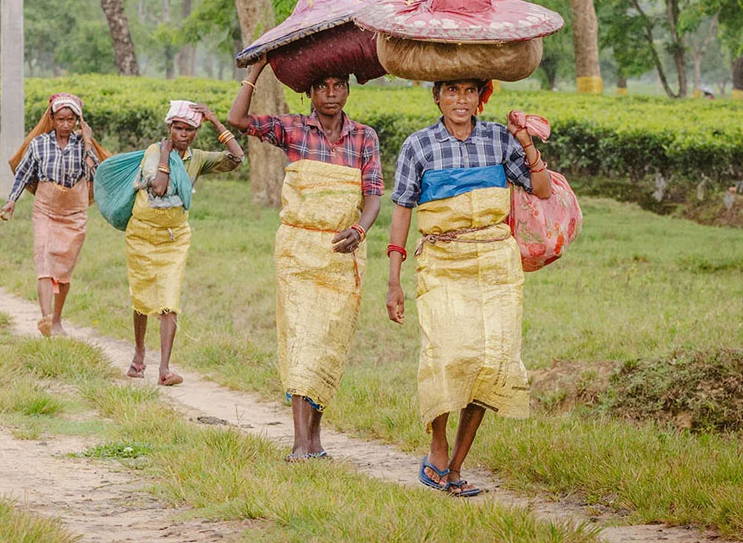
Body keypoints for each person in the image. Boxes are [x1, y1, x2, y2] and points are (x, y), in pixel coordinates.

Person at [384, 78, 551, 498]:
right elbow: (403, 209)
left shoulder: (498, 139)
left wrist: (526, 142)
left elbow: (541, 189)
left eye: (469, 91)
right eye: (452, 91)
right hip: (442, 263)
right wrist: (393, 280)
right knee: (448, 355)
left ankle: (456, 467)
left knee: (489, 363)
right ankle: (437, 448)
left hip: (496, 266)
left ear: (480, 98)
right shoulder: (418, 146)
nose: (461, 100)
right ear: (437, 96)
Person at [227, 59, 383, 461]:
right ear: (309, 93)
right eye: (322, 87)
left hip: (341, 254)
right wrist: (257, 69)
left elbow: (374, 194)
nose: (331, 94)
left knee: (328, 343)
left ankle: (315, 438)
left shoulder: (365, 137)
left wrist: (360, 230)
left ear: (348, 90)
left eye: (339, 85)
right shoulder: (293, 130)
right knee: (301, 340)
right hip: (297, 253)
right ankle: (299, 443)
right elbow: (238, 119)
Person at [125, 100, 243, 386]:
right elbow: (159, 186)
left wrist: (215, 121)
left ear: (195, 132)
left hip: (174, 237)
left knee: (170, 299)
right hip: (142, 234)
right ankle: (140, 352)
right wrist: (165, 155)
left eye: (190, 129)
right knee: (142, 296)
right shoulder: (154, 151)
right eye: (178, 128)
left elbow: (237, 158)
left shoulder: (197, 158)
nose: (183, 133)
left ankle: (164, 368)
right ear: (170, 128)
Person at [0, 94, 107, 337]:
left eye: (71, 120)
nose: (66, 125)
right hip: (45, 209)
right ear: (52, 119)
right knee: (44, 261)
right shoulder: (39, 144)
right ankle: (46, 318)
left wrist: (88, 142)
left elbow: (95, 174)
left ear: (78, 121)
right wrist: (11, 200)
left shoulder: (83, 145)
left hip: (73, 212)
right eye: (61, 119)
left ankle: (57, 319)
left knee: (64, 269)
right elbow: (23, 174)